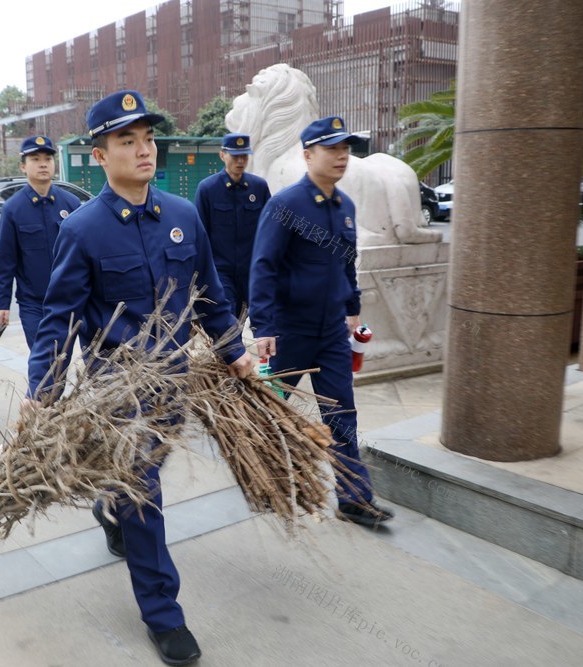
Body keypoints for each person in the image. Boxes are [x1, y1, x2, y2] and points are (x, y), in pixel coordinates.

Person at [25, 90, 254, 666]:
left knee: (141, 481)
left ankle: (110, 508)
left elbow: (212, 300)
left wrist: (236, 354)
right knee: (146, 492)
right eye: (127, 140)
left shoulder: (182, 216)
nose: (144, 149)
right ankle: (164, 614)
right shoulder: (82, 229)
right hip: (116, 390)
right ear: (99, 155)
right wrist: (42, 393)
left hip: (173, 383)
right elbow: (60, 320)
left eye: (148, 138)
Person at [248, 116, 394, 527]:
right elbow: (263, 268)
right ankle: (260, 478)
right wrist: (264, 330)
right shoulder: (286, 206)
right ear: (308, 154)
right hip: (290, 334)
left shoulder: (345, 207)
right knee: (272, 412)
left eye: (345, 148)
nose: (342, 156)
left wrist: (352, 307)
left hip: (331, 334)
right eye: (332, 148)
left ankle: (353, 498)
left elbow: (348, 264)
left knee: (342, 414)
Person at [0, 135, 82, 349]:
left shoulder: (71, 204)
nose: (43, 164)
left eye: (48, 159)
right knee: (43, 362)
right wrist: (3, 304)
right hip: (34, 304)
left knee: (63, 360)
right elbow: (6, 261)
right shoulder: (13, 209)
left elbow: (84, 253)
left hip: (69, 300)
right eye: (35, 159)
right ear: (23, 167)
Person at [193, 132, 271, 318]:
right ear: (222, 155)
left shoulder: (258, 187)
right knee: (227, 319)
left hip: (251, 271)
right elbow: (200, 235)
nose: (240, 161)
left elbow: (269, 229)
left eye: (244, 156)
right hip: (220, 271)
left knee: (243, 317)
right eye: (235, 156)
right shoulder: (208, 189)